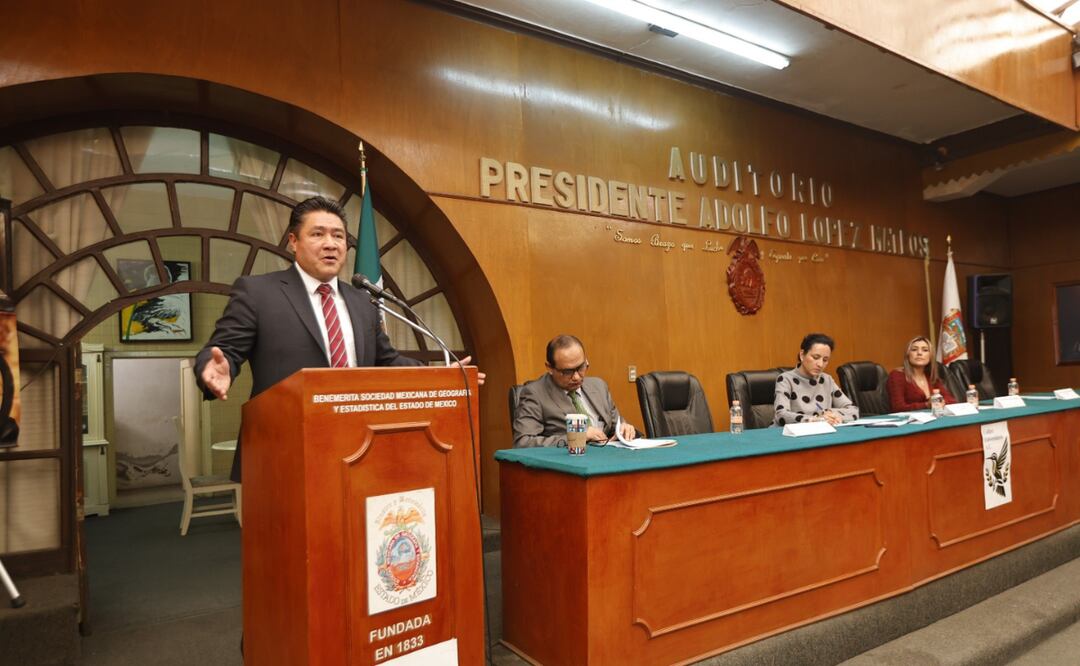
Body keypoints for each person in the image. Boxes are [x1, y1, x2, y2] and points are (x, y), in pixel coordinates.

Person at [196, 196, 479, 481]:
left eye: (338, 236)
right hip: (284, 452)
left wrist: (439, 377)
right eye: (317, 234)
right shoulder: (258, 292)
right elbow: (226, 350)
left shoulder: (362, 300)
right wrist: (214, 369)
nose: (330, 243)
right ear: (293, 241)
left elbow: (386, 360)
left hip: (358, 449)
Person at [512, 334, 637, 448]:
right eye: (567, 372)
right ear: (549, 368)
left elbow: (616, 426)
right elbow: (523, 443)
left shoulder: (599, 386)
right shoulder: (535, 394)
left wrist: (624, 430)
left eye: (581, 367)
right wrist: (577, 437)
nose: (577, 377)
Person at [773, 333, 859, 426]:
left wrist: (833, 415)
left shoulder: (827, 380)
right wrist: (814, 419)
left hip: (819, 433)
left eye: (825, 360)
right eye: (816, 357)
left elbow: (853, 410)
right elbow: (781, 414)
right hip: (786, 435)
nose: (820, 364)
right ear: (802, 355)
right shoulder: (785, 379)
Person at [886, 335, 957, 411]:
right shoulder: (897, 375)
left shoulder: (930, 376)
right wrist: (926, 405)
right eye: (914, 349)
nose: (919, 353)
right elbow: (898, 407)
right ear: (908, 355)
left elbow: (951, 400)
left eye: (925, 350)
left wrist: (942, 402)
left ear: (930, 356)